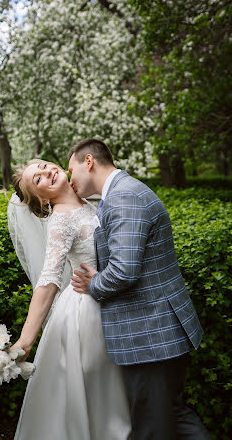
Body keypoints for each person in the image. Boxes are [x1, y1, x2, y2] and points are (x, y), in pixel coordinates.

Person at [68, 138, 212, 440]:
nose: (70, 181)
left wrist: (93, 283)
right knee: (171, 416)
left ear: (89, 162)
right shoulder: (120, 194)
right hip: (155, 332)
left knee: (153, 427)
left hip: (150, 334)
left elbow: (123, 271)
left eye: (71, 171)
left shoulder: (124, 197)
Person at [8, 158, 132, 440]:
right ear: (41, 201)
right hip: (88, 312)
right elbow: (49, 280)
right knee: (103, 393)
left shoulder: (90, 198)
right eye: (37, 179)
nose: (46, 172)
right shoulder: (61, 219)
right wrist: (25, 342)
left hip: (112, 298)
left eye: (43, 165)